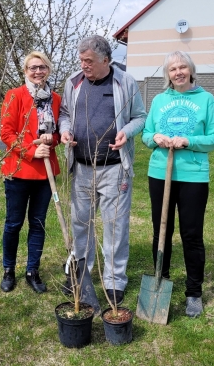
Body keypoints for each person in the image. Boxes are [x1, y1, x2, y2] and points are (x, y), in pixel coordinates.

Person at [58, 35, 146, 305]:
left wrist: (126, 132)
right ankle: (81, 276)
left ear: (106, 60)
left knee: (115, 226)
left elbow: (140, 117)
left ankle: (114, 280)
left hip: (114, 167)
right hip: (82, 167)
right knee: (80, 224)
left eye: (89, 61)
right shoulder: (74, 82)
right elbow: (64, 114)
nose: (84, 65)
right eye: (81, 60)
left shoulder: (124, 81)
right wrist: (65, 131)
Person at [142, 51, 214, 317]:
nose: (178, 72)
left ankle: (193, 293)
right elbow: (145, 134)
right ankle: (160, 282)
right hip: (160, 174)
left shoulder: (206, 100)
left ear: (191, 70)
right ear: (168, 74)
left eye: (182, 67)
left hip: (193, 177)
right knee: (161, 231)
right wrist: (156, 136)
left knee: (191, 235)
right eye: (173, 68)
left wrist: (189, 141)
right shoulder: (159, 99)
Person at [0, 51, 61, 294]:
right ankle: (8, 270)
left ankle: (32, 270)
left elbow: (58, 132)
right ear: (25, 71)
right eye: (33, 68)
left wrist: (52, 139)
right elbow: (6, 133)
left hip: (45, 174)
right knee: (13, 223)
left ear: (48, 70)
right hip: (19, 170)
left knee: (38, 223)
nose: (38, 72)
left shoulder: (55, 98)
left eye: (42, 67)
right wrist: (29, 152)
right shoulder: (14, 96)